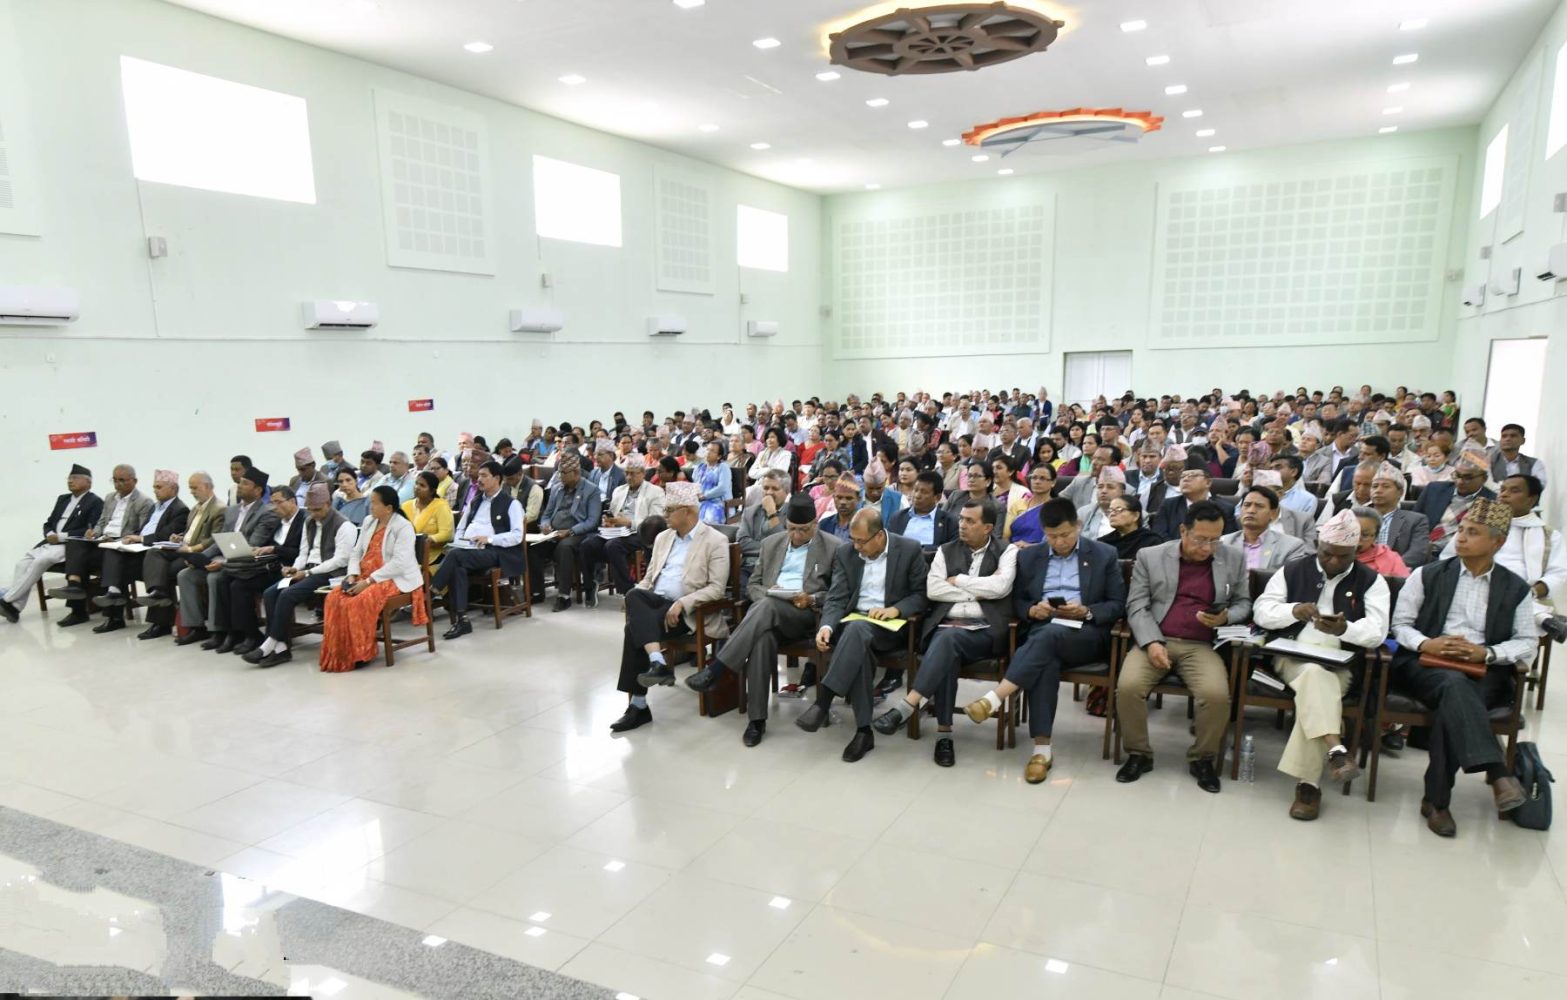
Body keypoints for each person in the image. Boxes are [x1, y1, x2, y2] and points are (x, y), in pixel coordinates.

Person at [943, 499, 1124, 780]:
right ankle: (1041, 751)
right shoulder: (1030, 556)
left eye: (1065, 535)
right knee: (1045, 659)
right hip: (1043, 630)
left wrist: (1087, 610)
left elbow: (1117, 604)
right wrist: (1031, 610)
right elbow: (1017, 601)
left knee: (1047, 638)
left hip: (1085, 634)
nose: (1059, 542)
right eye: (1052, 536)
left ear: (1078, 526)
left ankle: (996, 697)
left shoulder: (1104, 554)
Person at [1389, 498, 1538, 837]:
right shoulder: (1427, 574)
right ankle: (1497, 771)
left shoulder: (1515, 587)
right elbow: (1400, 625)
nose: (1461, 538)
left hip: (1484, 671)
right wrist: (1427, 643)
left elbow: (1527, 640)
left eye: (1473, 532)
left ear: (1497, 542)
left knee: (1454, 702)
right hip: (1425, 665)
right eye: (1461, 530)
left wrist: (1486, 653)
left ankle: (1436, 802)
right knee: (1454, 686)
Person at [1251, 509, 1390, 819]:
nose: (1334, 561)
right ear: (1317, 545)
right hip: (1291, 657)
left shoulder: (1372, 581)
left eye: (1343, 556)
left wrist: (1345, 630)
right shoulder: (1292, 570)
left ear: (1356, 551)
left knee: (1316, 682)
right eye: (1328, 554)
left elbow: (1377, 631)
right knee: (1314, 677)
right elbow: (1262, 611)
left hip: (1341, 665)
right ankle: (1325, 761)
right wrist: (1292, 611)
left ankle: (1316, 775)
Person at [1116, 501, 1251, 792]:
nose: (1207, 548)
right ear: (1183, 531)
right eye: (1200, 539)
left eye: (1215, 540)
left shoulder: (1233, 558)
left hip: (1201, 645)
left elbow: (1244, 603)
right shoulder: (1151, 556)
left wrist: (1226, 616)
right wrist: (1152, 642)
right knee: (1128, 688)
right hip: (1155, 638)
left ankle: (1202, 758)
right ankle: (1139, 754)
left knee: (1215, 696)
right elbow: (1136, 606)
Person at [872, 497, 1018, 766]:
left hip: (985, 630)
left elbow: (1000, 588)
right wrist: (979, 590)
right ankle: (943, 735)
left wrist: (959, 580)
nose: (962, 525)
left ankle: (909, 706)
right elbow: (934, 589)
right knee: (947, 649)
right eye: (961, 519)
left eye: (970, 521)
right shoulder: (946, 550)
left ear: (987, 528)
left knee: (948, 640)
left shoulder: (1007, 551)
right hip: (945, 625)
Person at [687, 494, 840, 746]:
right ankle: (756, 720)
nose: (796, 535)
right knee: (762, 639)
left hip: (804, 615)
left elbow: (837, 593)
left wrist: (811, 598)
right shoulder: (771, 543)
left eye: (803, 530)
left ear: (815, 524)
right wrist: (769, 594)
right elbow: (753, 585)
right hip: (768, 612)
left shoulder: (833, 546)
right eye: (791, 529)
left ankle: (718, 669)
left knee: (766, 608)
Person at [795, 509, 929, 762]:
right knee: (858, 644)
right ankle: (863, 732)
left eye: (861, 541)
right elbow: (836, 597)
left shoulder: (909, 549)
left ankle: (823, 701)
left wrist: (895, 609)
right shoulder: (846, 553)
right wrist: (826, 627)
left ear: (879, 536)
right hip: (855, 625)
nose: (856, 546)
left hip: (890, 626)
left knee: (856, 632)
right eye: (853, 540)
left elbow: (921, 595)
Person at [610, 483, 732, 732]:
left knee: (633, 630)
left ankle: (639, 704)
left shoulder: (715, 540)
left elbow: (717, 589)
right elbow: (649, 577)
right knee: (634, 594)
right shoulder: (663, 538)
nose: (664, 514)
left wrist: (682, 603)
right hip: (655, 604)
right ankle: (657, 662)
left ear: (687, 511)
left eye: (669, 509)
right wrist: (637, 595)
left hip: (688, 613)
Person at [1439, 474, 1567, 639]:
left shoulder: (1549, 535)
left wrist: (1532, 591)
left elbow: (1558, 573)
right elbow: (1448, 557)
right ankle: (1542, 618)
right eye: (1503, 490)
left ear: (1532, 499)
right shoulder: (1477, 524)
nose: (1504, 495)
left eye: (1514, 491)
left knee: (1514, 597)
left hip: (1526, 591)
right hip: (1474, 582)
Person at [246, 482, 357, 668]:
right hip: (307, 571)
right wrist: (294, 569)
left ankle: (270, 643)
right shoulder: (309, 521)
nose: (314, 514)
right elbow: (304, 552)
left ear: (328, 504)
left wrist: (307, 572)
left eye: (318, 509)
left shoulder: (344, 525)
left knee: (287, 594)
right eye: (311, 510)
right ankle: (281, 648)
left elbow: (340, 560)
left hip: (329, 573)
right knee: (270, 593)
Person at [319, 485, 427, 672]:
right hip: (364, 576)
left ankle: (361, 652)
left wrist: (369, 581)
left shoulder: (403, 527)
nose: (370, 507)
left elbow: (399, 563)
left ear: (389, 508)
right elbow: (356, 552)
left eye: (374, 503)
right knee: (333, 598)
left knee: (359, 601)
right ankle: (340, 652)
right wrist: (352, 574)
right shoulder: (369, 521)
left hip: (394, 578)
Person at [177, 467, 280, 650]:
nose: (239, 485)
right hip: (225, 561)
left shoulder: (267, 513)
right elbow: (220, 541)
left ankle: (222, 631)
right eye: (240, 482)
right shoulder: (232, 511)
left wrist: (223, 563)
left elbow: (251, 546)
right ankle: (196, 627)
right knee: (186, 575)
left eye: (245, 483)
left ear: (258, 490)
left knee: (217, 578)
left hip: (246, 565)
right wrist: (200, 557)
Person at [48, 465, 154, 627]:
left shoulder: (143, 501)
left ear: (134, 481)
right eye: (115, 480)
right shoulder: (110, 498)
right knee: (75, 544)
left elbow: (142, 530)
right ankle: (75, 591)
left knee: (110, 555)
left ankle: (114, 617)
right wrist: (94, 533)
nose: (117, 484)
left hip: (122, 546)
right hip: (103, 541)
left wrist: (118, 540)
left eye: (122, 480)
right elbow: (102, 522)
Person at [432, 459, 526, 639]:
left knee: (455, 556)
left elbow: (516, 535)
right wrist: (460, 542)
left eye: (484, 476)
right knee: (458, 567)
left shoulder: (511, 504)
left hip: (496, 551)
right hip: (468, 549)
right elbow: (461, 527)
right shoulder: (475, 501)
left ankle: (433, 590)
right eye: (479, 475)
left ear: (497, 478)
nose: (479, 479)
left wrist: (489, 539)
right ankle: (462, 620)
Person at [89, 469, 190, 632]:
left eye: (159, 487)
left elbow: (165, 534)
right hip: (141, 549)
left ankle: (160, 622)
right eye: (154, 487)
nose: (155, 491)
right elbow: (144, 529)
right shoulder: (155, 507)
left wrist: (141, 539)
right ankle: (114, 604)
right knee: (113, 553)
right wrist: (131, 537)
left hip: (155, 552)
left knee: (145, 563)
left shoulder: (180, 509)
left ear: (173, 488)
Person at [1, 465, 103, 623]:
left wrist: (61, 537)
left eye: (75, 478)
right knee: (21, 564)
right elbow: (48, 523)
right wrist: (49, 534)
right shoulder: (63, 499)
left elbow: (90, 529)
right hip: (50, 542)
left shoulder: (95, 502)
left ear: (88, 482)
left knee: (41, 561)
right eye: (69, 478)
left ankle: (7, 599)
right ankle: (14, 607)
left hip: (70, 545)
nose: (70, 481)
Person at [212, 486, 305, 656]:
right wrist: (259, 550)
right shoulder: (278, 521)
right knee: (226, 579)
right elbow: (267, 543)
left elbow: (300, 551)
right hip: (269, 565)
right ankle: (236, 632)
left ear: (292, 501)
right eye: (272, 503)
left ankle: (255, 636)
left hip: (289, 569)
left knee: (241, 586)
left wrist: (274, 550)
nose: (275, 507)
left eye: (279, 502)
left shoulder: (303, 520)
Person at [135, 472, 224, 640]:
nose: (191, 492)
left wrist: (191, 549)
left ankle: (164, 621)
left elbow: (215, 538)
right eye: (190, 488)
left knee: (164, 572)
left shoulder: (219, 508)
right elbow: (189, 532)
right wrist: (180, 537)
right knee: (154, 553)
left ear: (207, 486)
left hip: (197, 554)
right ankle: (158, 594)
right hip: (183, 549)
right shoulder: (195, 508)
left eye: (194, 488)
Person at [580, 452, 666, 603]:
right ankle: (590, 586)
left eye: (633, 474)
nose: (629, 477)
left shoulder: (655, 492)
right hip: (617, 531)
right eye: (626, 473)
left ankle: (627, 591)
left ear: (643, 473)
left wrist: (629, 522)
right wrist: (609, 521)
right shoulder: (619, 490)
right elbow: (613, 513)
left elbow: (655, 521)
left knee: (613, 546)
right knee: (588, 544)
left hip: (640, 533)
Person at [535, 452, 604, 611]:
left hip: (579, 533)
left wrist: (570, 531)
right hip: (554, 533)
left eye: (564, 473)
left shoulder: (592, 490)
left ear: (576, 473)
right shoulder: (557, 488)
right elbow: (546, 514)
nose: (560, 476)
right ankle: (537, 592)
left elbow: (592, 521)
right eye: (559, 472)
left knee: (564, 547)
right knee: (534, 549)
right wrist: (545, 525)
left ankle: (564, 596)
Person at [1414, 451, 1495, 547]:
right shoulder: (1434, 489)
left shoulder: (1493, 503)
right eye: (1457, 475)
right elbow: (1414, 522)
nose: (1460, 482)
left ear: (1484, 479)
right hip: (1422, 547)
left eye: (1467, 478)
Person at [1220, 486, 1305, 572]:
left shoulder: (1291, 546)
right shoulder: (1223, 542)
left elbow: (1292, 577)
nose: (1251, 510)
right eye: (1247, 505)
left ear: (1273, 514)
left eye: (1259, 506)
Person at [734, 468, 789, 589]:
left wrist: (772, 513)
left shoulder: (792, 513)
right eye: (766, 488)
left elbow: (783, 545)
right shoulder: (750, 512)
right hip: (750, 566)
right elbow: (742, 542)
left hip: (777, 568)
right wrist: (770, 549)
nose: (769, 492)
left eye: (775, 489)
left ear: (786, 492)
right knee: (739, 588)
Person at [1150, 467, 1238, 540]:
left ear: (1208, 482)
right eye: (1182, 477)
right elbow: (1159, 535)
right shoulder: (1168, 505)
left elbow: (1228, 539)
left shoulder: (1225, 508)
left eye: (1193, 475)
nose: (1185, 479)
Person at [888, 471, 956, 550]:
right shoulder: (898, 518)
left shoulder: (949, 522)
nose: (917, 495)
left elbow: (951, 551)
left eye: (924, 492)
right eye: (915, 490)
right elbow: (889, 546)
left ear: (937, 497)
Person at [401, 471, 455, 565]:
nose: (417, 487)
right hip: (405, 553)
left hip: (431, 556)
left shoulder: (441, 506)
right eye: (416, 484)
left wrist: (428, 539)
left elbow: (447, 534)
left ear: (432, 491)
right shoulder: (406, 505)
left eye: (422, 485)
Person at [1005, 463, 1057, 547]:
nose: (1037, 482)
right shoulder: (1018, 504)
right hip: (1013, 549)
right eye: (1034, 478)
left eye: (1042, 478)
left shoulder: (1056, 508)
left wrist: (1029, 546)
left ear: (1053, 482)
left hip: (1040, 551)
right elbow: (1005, 536)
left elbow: (1056, 540)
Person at [1100, 494, 1163, 559]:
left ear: (1136, 515)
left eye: (1119, 509)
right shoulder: (1104, 543)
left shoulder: (1151, 541)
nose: (1112, 514)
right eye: (1110, 510)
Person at [1353, 508, 1411, 577]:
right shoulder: (1341, 558)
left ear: (1375, 536)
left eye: (1365, 535)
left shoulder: (1390, 557)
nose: (1357, 539)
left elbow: (1402, 581)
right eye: (1352, 533)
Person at [1075, 465, 1124, 540]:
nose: (1103, 491)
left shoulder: (1133, 515)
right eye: (1100, 487)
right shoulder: (1083, 513)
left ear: (1122, 492)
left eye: (1110, 487)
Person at [1491, 423, 1547, 489]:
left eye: (1513, 436)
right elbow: (1487, 484)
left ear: (1523, 441)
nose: (1507, 439)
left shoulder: (1534, 463)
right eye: (1504, 436)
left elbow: (1539, 485)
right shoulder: (1489, 461)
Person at [693, 439, 732, 525]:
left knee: (708, 520)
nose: (708, 452)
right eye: (707, 449)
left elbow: (722, 488)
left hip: (719, 503)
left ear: (719, 456)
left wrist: (705, 496)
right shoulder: (700, 467)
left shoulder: (723, 467)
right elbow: (695, 484)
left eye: (712, 451)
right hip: (700, 501)